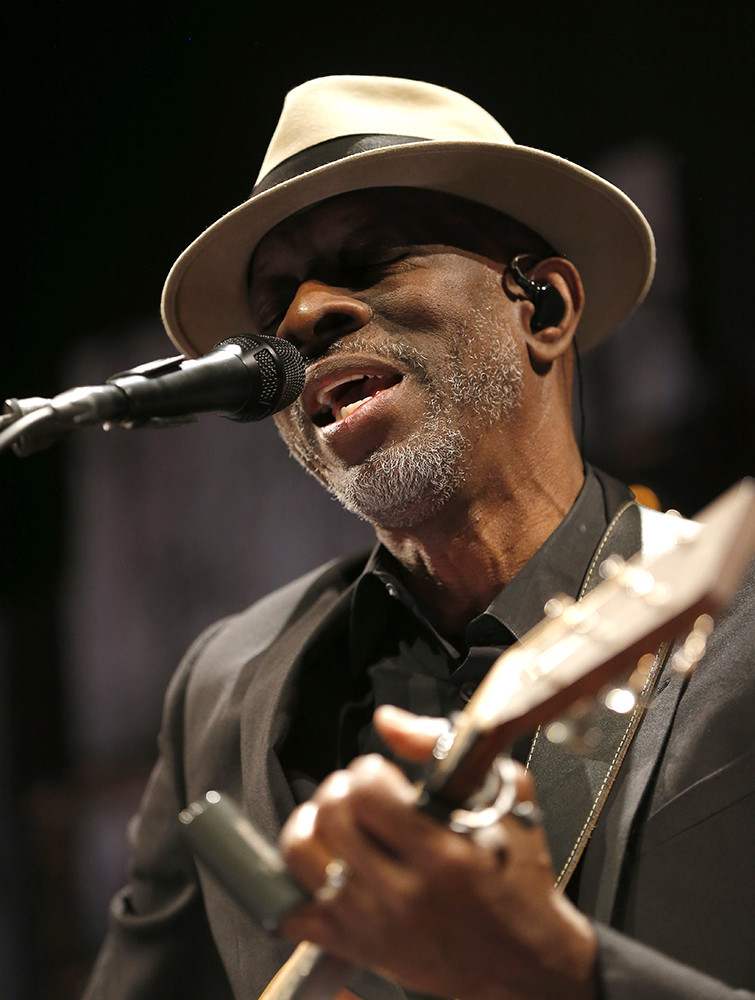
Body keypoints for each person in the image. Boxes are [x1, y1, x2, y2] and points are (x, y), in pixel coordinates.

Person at [84, 76, 754, 999]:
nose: (301, 318)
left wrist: (560, 971)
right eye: (273, 300)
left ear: (544, 310)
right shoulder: (222, 687)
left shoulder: (739, 621)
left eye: (369, 259)